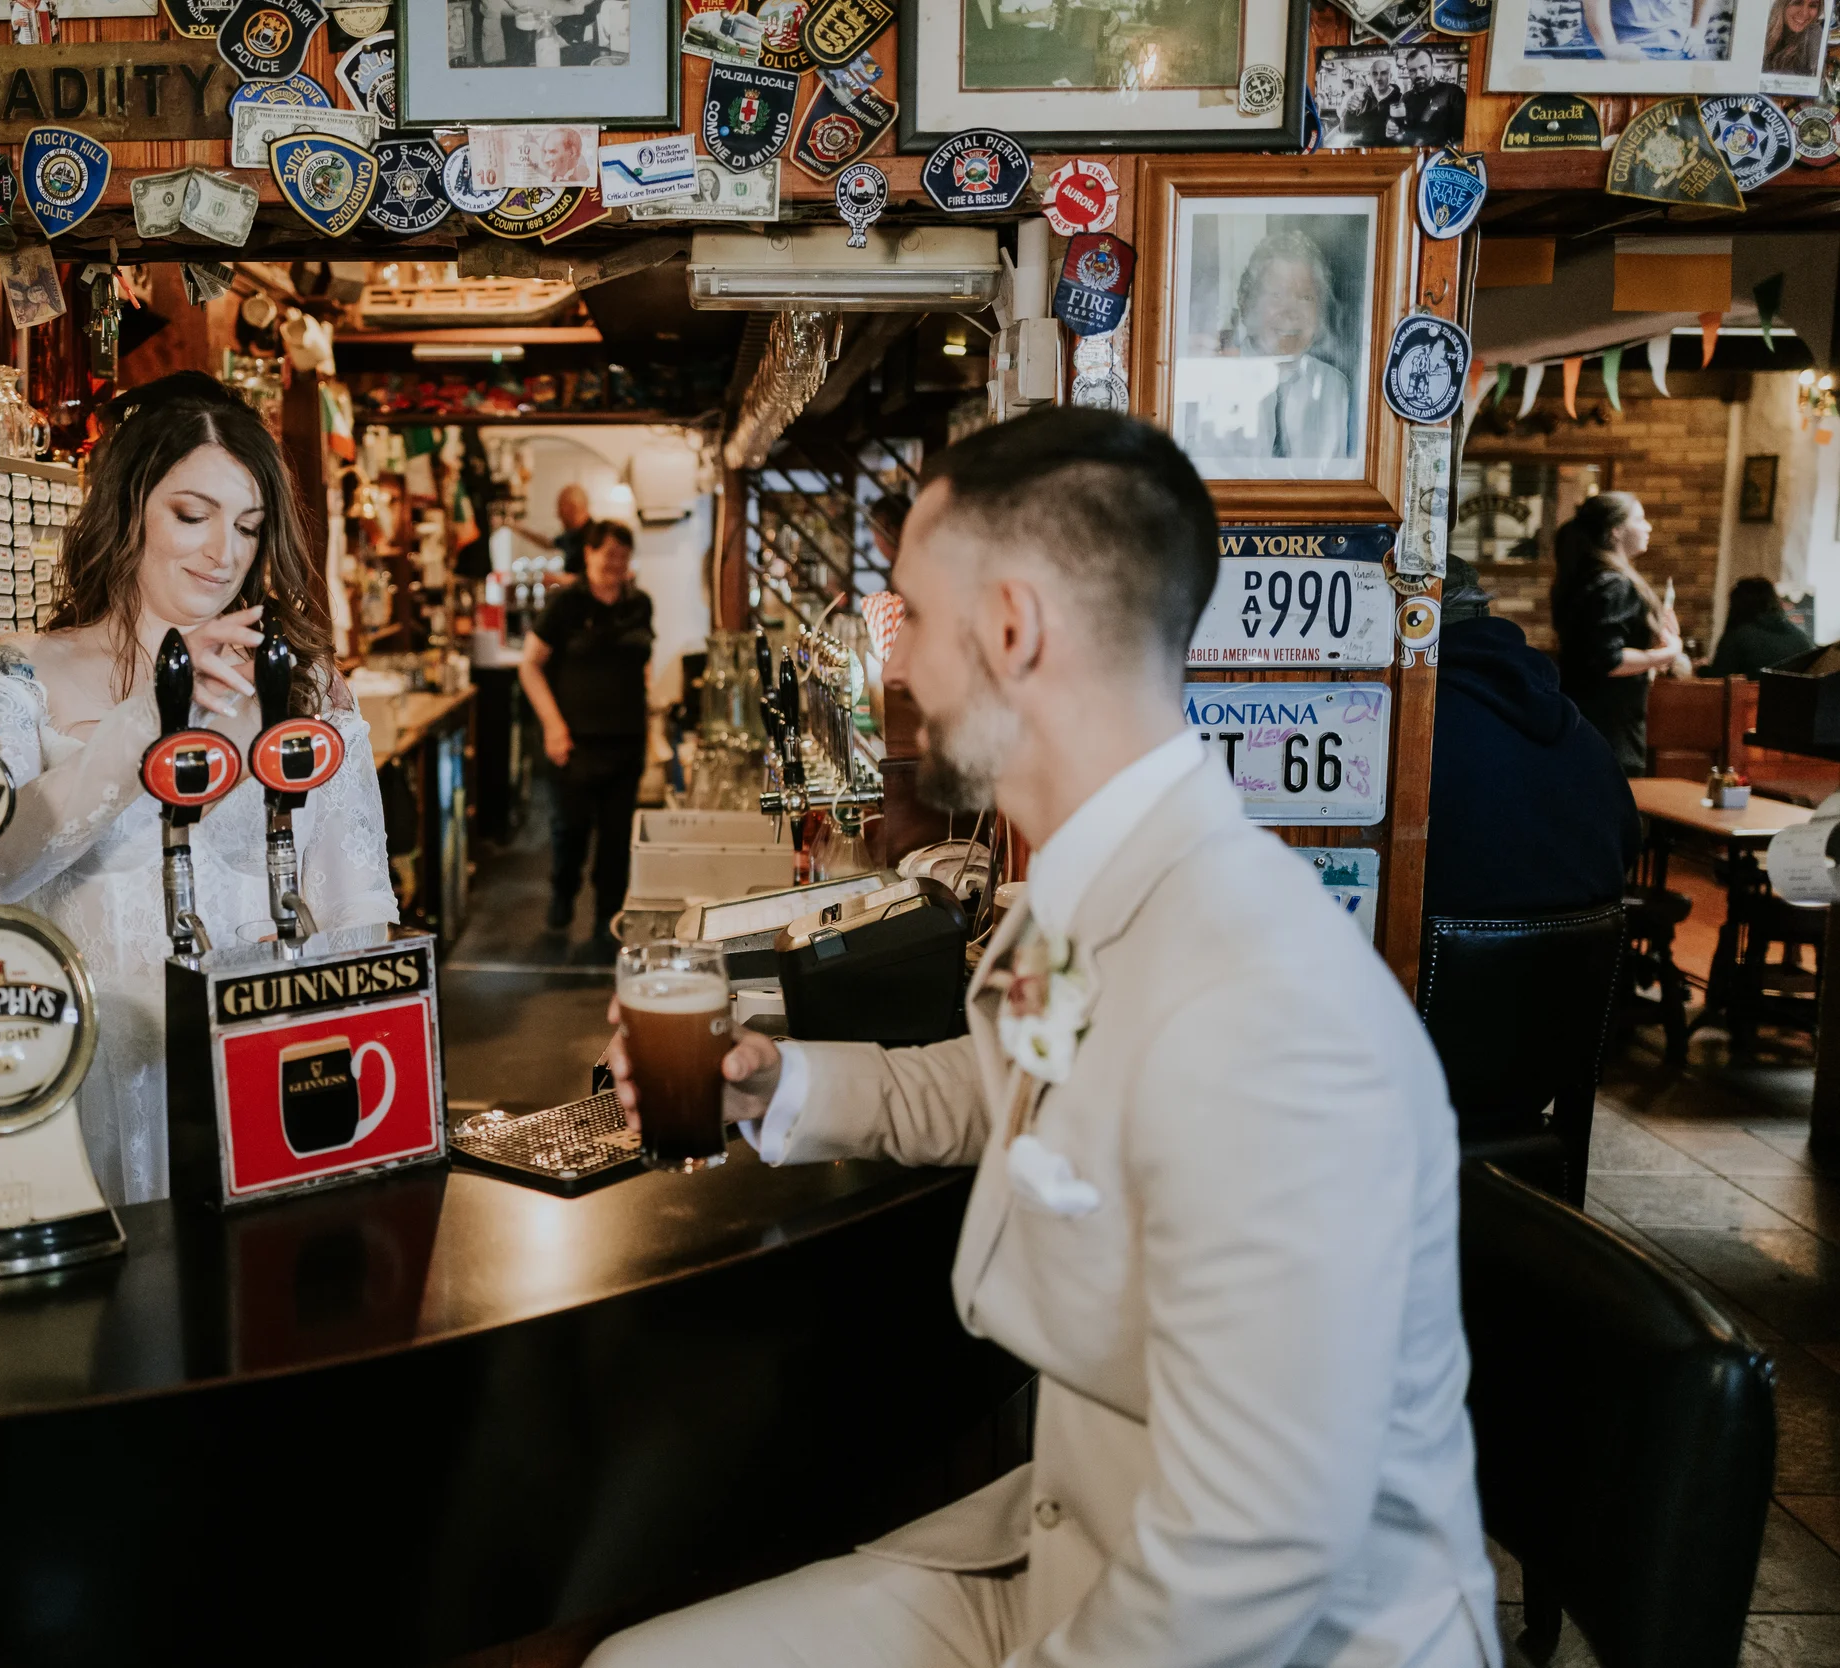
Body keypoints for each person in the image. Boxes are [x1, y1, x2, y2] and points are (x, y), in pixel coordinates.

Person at [592, 408, 1498, 1668]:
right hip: (1077, 1539)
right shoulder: (1097, 880)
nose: (893, 672)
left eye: (906, 616)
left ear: (1012, 628)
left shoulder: (1263, 1013)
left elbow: (1258, 1552)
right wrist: (775, 1084)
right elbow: (1012, 1087)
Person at [0, 374, 398, 1204]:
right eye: (192, 516)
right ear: (128, 508)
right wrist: (149, 719)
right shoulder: (21, 673)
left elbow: (357, 915)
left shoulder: (302, 690)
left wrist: (359, 1103)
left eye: (247, 526)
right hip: (84, 1090)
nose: (223, 553)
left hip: (264, 1084)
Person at [1425, 558, 1642, 918]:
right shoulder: (1577, 728)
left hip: (1439, 964)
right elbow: (1628, 844)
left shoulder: (1413, 726)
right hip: (1584, 964)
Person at [521, 519, 652, 943]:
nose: (615, 562)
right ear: (589, 554)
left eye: (623, 554)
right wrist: (553, 726)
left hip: (627, 741)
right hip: (575, 742)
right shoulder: (566, 605)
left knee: (617, 843)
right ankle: (563, 892)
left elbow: (641, 660)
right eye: (607, 553)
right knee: (570, 830)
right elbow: (530, 665)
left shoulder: (640, 604)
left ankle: (607, 923)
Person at [1551, 490, 1687, 774]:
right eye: (1640, 518)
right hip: (1609, 729)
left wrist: (1651, 651)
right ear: (1616, 531)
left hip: (1581, 721)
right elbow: (1609, 660)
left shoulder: (1586, 576)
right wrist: (1667, 652)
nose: (1648, 527)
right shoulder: (1615, 584)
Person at [1209, 230, 1353, 463]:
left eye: (1305, 297)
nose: (1291, 311)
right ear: (1246, 303)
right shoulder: (1213, 380)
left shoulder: (1334, 388)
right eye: (1276, 295)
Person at [1703, 576, 1815, 678]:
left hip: (1750, 700)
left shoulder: (1738, 636)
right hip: (1794, 700)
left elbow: (1718, 679)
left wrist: (1700, 669)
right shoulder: (1801, 638)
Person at [1574, 0, 1712, 58]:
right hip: (1621, 46)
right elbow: (1595, 6)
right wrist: (1611, 50)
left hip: (1675, 43)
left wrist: (1698, 31)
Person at [515, 482, 594, 576]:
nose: (558, 515)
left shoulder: (596, 537)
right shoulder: (571, 534)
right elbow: (547, 543)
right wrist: (515, 527)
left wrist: (560, 580)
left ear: (574, 507)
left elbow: (597, 580)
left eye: (561, 508)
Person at [1763, 0, 1826, 76]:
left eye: (1812, 5)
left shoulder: (1813, 33)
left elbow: (1819, 79)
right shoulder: (1760, 29)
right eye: (1797, 3)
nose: (1805, 14)